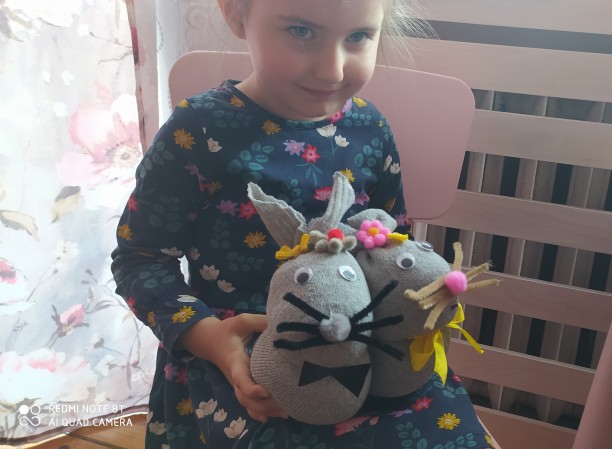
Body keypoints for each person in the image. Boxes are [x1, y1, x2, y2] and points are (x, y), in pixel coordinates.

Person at [111, 0, 494, 448]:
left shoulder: (370, 127)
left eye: (358, 36)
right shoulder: (197, 131)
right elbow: (139, 259)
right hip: (240, 367)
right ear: (236, 13)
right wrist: (209, 337)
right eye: (301, 31)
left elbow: (391, 243)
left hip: (368, 356)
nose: (332, 70)